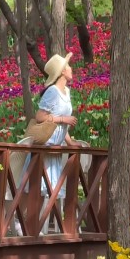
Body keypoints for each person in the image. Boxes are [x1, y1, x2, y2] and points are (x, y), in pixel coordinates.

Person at [34, 52, 80, 232]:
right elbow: (40, 117)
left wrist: (70, 142)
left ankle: (47, 229)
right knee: (40, 189)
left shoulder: (66, 92)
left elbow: (63, 126)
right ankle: (30, 227)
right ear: (61, 72)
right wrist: (62, 119)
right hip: (45, 147)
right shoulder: (52, 91)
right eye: (68, 66)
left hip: (56, 148)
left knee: (52, 190)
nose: (71, 69)